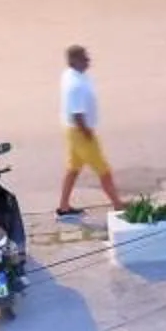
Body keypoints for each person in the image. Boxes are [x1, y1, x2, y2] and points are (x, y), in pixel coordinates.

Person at [56, 45, 121, 219]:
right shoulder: (75, 85)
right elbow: (77, 114)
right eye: (83, 58)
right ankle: (118, 205)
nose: (88, 60)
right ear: (73, 61)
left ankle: (63, 208)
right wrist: (88, 134)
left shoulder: (71, 75)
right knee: (104, 170)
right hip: (80, 132)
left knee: (73, 169)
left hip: (72, 131)